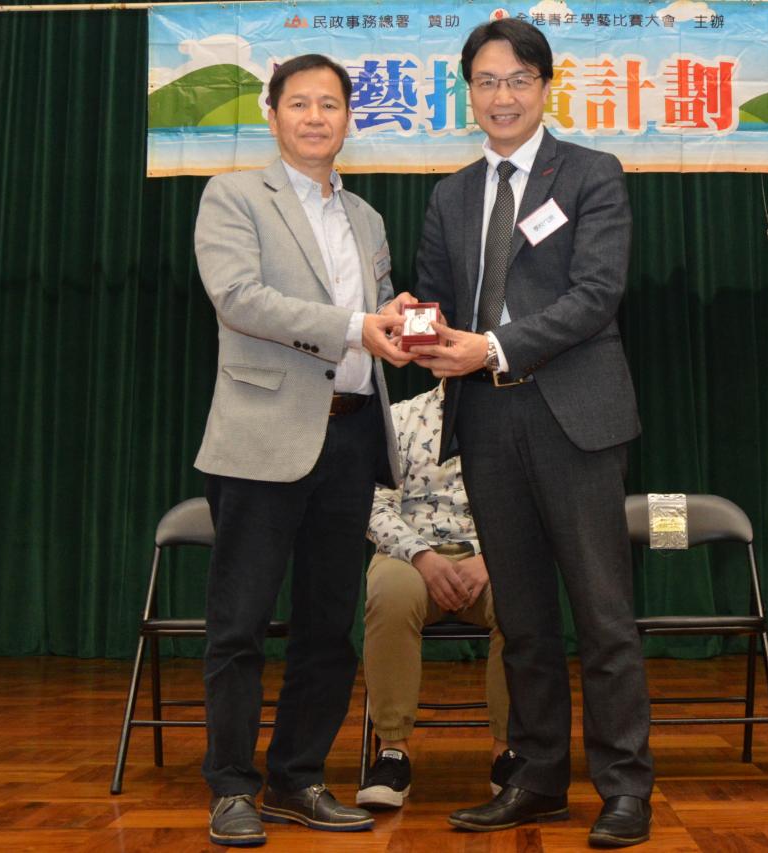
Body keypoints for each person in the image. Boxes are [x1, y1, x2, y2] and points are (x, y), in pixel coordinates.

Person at [408, 18, 654, 849]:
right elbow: (437, 297)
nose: (502, 96)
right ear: (468, 93)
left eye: (518, 79)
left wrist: (492, 346)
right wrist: (417, 324)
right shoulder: (449, 195)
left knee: (604, 614)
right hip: (485, 419)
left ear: (546, 87)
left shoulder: (590, 173)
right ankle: (538, 778)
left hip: (574, 415)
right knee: (522, 618)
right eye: (486, 81)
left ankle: (625, 787)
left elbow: (596, 295)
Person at [192, 54, 417, 846]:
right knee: (240, 625)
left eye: (330, 104)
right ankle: (231, 787)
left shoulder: (366, 218)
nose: (316, 117)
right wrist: (356, 326)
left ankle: (298, 777)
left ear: (350, 117)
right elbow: (239, 298)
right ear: (273, 113)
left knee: (328, 625)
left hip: (351, 435)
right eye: (300, 103)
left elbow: (372, 315)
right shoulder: (232, 196)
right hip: (262, 437)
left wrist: (396, 320)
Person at [357, 381, 519, 808]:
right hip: (411, 554)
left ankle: (508, 751)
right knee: (389, 594)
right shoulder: (401, 417)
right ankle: (393, 751)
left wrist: (492, 557)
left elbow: (535, 502)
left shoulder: (519, 415)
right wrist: (422, 557)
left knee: (522, 599)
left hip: (491, 556)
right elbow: (372, 502)